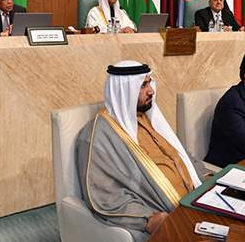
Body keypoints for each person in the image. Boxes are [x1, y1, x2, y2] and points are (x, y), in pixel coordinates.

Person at [76, 61, 202, 241]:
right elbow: (105, 194)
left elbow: (181, 156)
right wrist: (148, 219)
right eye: (143, 85)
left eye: (150, 83)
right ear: (123, 91)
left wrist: (207, 181)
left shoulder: (147, 118)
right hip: (170, 213)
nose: (151, 91)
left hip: (196, 201)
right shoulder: (97, 135)